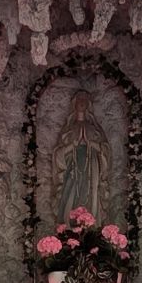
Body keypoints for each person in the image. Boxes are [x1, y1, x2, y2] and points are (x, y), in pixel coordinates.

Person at [51, 90, 113, 228]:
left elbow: (106, 151)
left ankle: (91, 229)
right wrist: (73, 145)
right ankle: (68, 229)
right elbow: (58, 154)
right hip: (72, 168)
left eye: (85, 99)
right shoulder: (69, 129)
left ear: (89, 104)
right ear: (74, 103)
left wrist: (91, 144)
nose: (82, 102)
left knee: (91, 195)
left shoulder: (94, 128)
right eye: (79, 99)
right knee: (70, 194)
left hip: (92, 168)